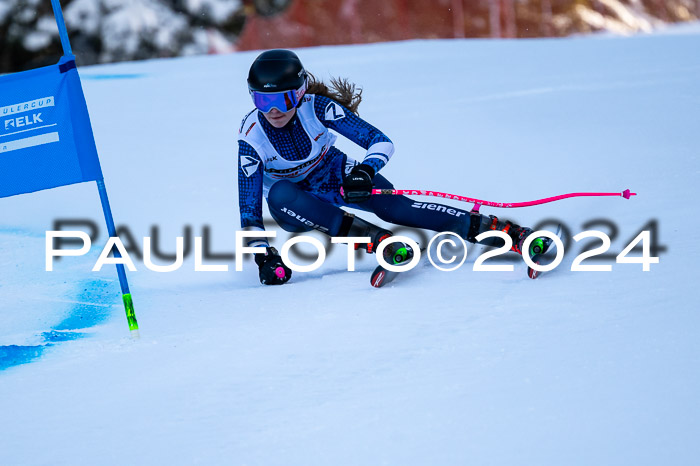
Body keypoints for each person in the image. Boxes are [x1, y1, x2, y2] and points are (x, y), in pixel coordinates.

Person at [238, 49, 547, 285]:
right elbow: (249, 210)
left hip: (335, 175)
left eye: (284, 99)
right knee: (279, 192)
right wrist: (264, 256)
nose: (274, 111)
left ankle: (509, 234)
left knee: (399, 208)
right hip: (294, 205)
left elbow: (381, 141)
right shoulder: (252, 136)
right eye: (263, 102)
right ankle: (380, 242)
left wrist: (365, 171)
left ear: (301, 92)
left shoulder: (317, 107)